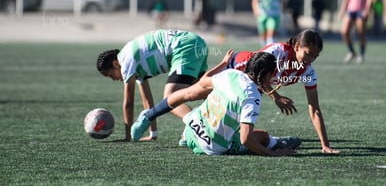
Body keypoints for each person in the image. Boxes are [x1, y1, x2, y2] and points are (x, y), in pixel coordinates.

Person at [131, 50, 299, 156]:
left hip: (191, 131)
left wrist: (223, 64)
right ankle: (277, 143)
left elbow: (203, 82)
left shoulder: (230, 74)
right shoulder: (252, 96)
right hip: (210, 147)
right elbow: (246, 139)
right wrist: (272, 153)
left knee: (192, 100)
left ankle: (155, 118)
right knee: (261, 136)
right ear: (268, 75)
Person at [228, 29, 340, 154]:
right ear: (297, 46)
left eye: (315, 56)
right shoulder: (277, 52)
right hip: (234, 69)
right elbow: (255, 73)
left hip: (253, 85)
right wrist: (276, 97)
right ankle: (271, 143)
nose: (311, 60)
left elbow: (314, 109)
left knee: (233, 130)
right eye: (308, 54)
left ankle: (270, 142)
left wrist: (325, 145)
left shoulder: (308, 72)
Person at [96, 29, 208, 143]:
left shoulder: (125, 61)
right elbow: (148, 102)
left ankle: (197, 126)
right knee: (205, 92)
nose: (114, 79)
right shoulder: (134, 62)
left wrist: (128, 137)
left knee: (169, 99)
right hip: (197, 43)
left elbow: (128, 102)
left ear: (115, 64)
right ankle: (203, 126)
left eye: (111, 75)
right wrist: (152, 134)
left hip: (184, 46)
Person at [339, 0, 373, 64]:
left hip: (360, 11)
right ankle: (351, 52)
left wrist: (367, 10)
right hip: (351, 10)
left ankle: (361, 54)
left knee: (361, 33)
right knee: (344, 32)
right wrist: (342, 9)